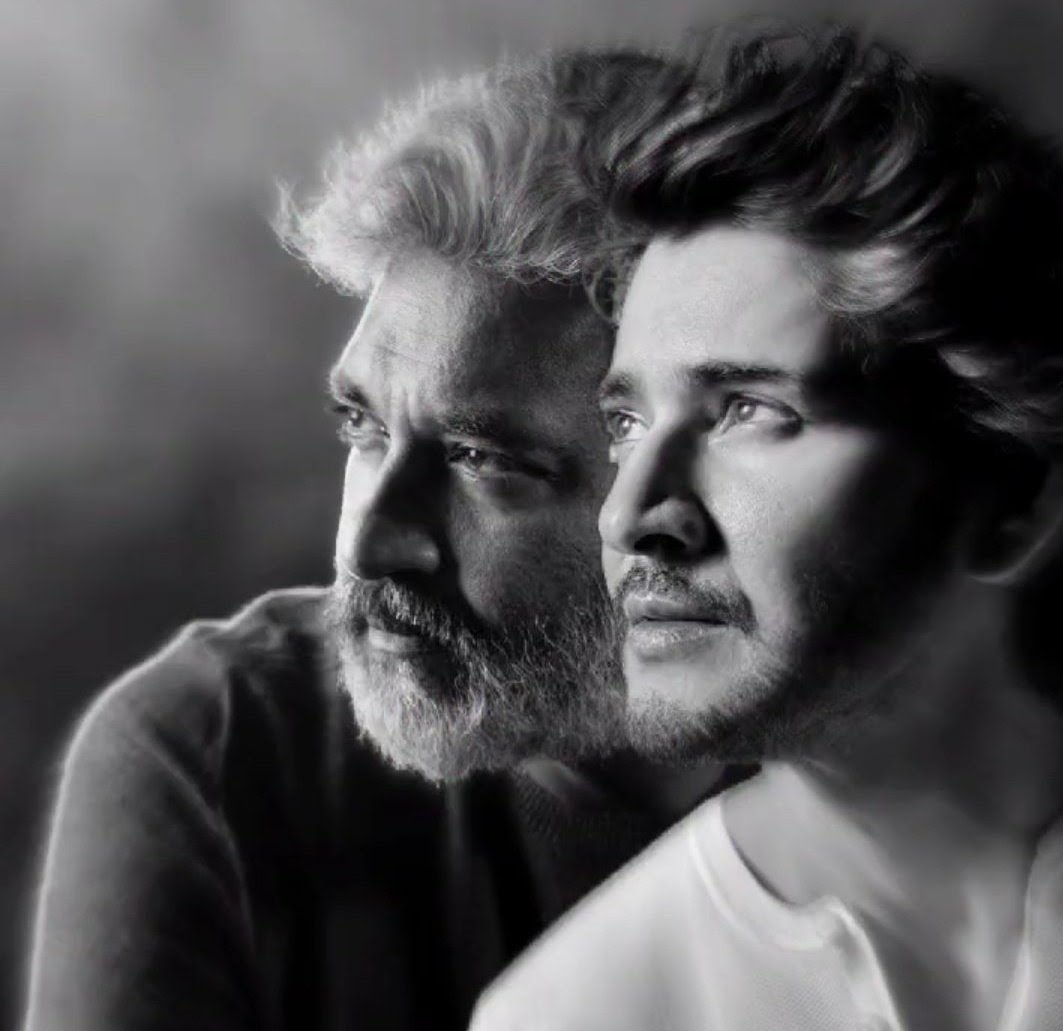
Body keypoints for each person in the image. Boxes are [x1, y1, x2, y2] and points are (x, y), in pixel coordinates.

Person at [22, 52, 732, 1031]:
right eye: (363, 426)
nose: (370, 544)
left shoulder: (891, 763)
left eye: (484, 459)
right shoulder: (217, 750)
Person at [471, 24, 1063, 1031]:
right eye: (625, 422)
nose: (628, 515)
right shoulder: (577, 1013)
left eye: (747, 409)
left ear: (1013, 501)